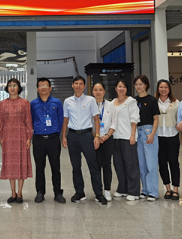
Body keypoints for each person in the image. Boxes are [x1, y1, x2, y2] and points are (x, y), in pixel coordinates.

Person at [62, 76, 108, 205]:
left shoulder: (90, 100)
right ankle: (79, 192)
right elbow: (65, 120)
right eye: (76, 83)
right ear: (72, 85)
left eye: (80, 83)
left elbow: (96, 119)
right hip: (72, 136)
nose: (78, 85)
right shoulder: (67, 101)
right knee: (76, 166)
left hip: (87, 135)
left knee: (93, 165)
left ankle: (98, 193)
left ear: (84, 86)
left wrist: (97, 136)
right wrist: (63, 136)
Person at [30, 78, 66, 204]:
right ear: (37, 89)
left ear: (50, 88)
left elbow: (61, 120)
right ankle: (40, 192)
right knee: (39, 167)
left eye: (45, 85)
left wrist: (58, 134)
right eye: (40, 86)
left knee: (55, 167)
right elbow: (31, 120)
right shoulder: (33, 104)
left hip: (53, 139)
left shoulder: (57, 102)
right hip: (38, 140)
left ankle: (58, 193)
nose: (43, 88)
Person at [0, 78, 33, 204]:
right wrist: (1, 136)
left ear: (19, 88)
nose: (12, 88)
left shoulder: (25, 103)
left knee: (20, 164)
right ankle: (12, 193)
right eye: (10, 85)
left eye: (14, 85)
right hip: (8, 136)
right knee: (10, 165)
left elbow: (28, 120)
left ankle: (19, 193)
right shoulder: (2, 103)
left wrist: (29, 138)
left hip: (21, 136)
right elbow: (0, 121)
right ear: (7, 88)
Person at [112, 79, 141, 201]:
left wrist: (132, 135)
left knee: (131, 164)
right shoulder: (112, 102)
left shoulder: (131, 101)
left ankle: (134, 191)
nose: (121, 89)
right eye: (119, 86)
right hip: (115, 137)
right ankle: (122, 188)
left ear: (127, 89)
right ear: (115, 88)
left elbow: (135, 119)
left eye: (124, 86)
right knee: (118, 164)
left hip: (128, 136)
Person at [134, 75, 160, 201]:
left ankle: (153, 191)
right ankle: (144, 190)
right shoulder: (133, 100)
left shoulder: (152, 100)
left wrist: (152, 134)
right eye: (136, 84)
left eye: (141, 84)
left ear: (146, 85)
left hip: (148, 131)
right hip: (137, 132)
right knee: (142, 164)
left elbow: (156, 119)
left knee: (151, 164)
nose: (138, 86)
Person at [155, 79, 180, 201]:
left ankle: (176, 189)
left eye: (165, 87)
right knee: (162, 163)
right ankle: (168, 188)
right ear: (158, 89)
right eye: (161, 87)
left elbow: (180, 117)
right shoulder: (154, 101)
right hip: (159, 136)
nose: (163, 89)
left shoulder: (176, 102)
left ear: (169, 89)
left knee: (173, 162)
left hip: (173, 135)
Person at [93, 82, 117, 202]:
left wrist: (107, 136)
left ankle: (107, 190)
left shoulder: (111, 105)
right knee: (96, 165)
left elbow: (114, 122)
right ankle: (98, 191)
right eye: (95, 90)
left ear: (104, 91)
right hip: (94, 139)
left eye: (100, 90)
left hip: (108, 138)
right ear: (92, 92)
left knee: (107, 165)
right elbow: (88, 123)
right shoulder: (90, 105)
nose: (98, 92)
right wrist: (96, 136)